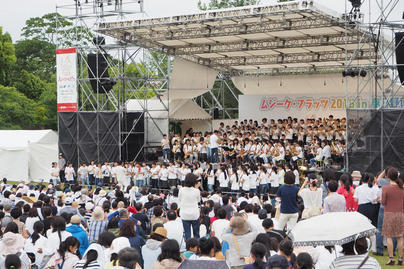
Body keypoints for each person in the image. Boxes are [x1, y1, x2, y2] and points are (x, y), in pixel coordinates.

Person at [381, 167, 403, 266]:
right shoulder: (402, 188)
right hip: (400, 214)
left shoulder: (385, 188)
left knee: (389, 237)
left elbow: (383, 202)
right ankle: (400, 258)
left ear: (388, 176)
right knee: (399, 237)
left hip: (389, 214)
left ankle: (391, 258)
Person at [178, 173, 201, 239]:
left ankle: (188, 248)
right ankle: (197, 247)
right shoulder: (197, 191)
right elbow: (198, 200)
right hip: (194, 214)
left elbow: (180, 199)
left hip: (184, 214)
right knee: (196, 234)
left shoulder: (181, 190)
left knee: (187, 234)